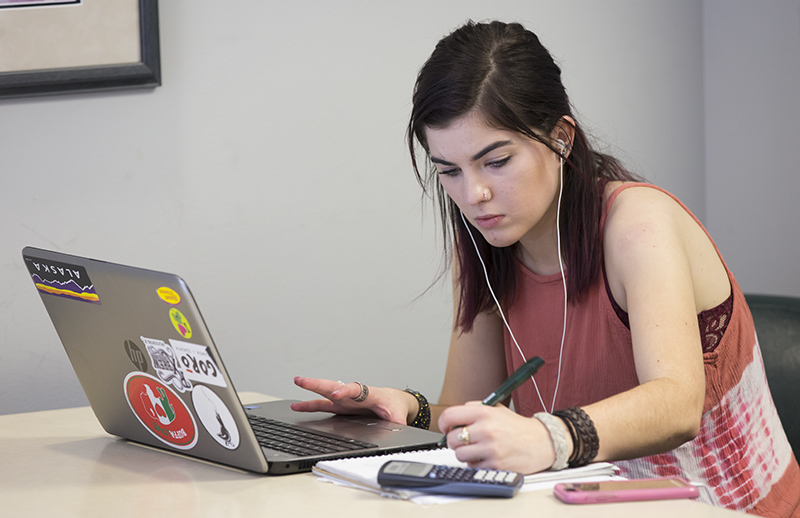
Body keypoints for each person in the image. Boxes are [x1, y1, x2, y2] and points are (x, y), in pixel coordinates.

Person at [292, 20, 799, 516]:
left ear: (560, 137)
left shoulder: (637, 224)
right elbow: (472, 408)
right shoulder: (484, 243)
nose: (473, 195)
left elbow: (677, 404)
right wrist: (408, 410)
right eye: (449, 171)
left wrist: (547, 436)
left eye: (496, 161)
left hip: (728, 508)